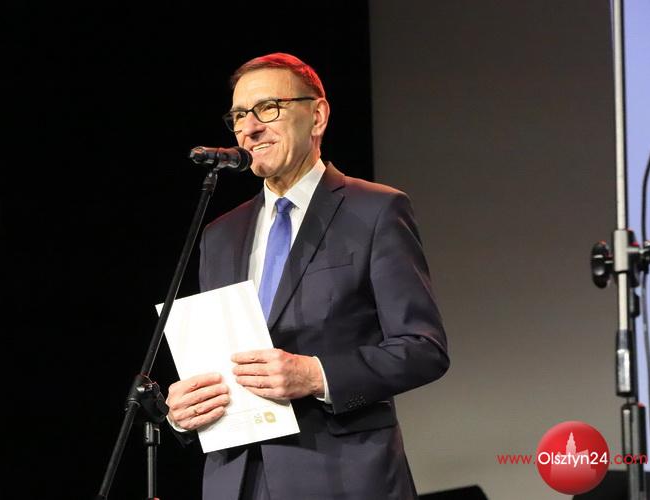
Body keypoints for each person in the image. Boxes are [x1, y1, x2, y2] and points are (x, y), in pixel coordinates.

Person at [165, 52, 449, 500]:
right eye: (239, 115)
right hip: (234, 480)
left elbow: (423, 349)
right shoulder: (219, 234)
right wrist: (184, 412)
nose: (249, 128)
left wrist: (316, 375)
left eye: (267, 108)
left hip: (340, 477)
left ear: (317, 116)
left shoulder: (375, 210)